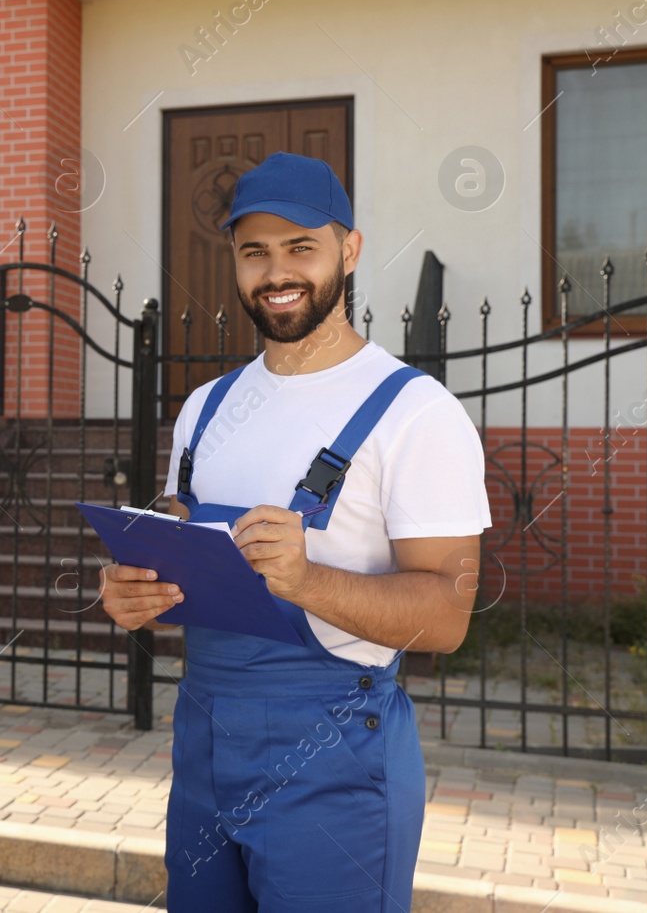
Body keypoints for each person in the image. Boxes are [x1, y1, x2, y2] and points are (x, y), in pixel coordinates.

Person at [100, 152, 490, 911]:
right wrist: (132, 588)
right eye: (255, 253)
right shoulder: (206, 408)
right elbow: (176, 541)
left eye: (300, 247)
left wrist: (309, 578)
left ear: (349, 250)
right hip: (206, 738)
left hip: (337, 760)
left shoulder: (416, 411)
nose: (276, 272)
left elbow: (449, 615)